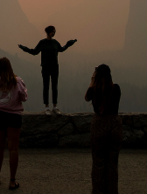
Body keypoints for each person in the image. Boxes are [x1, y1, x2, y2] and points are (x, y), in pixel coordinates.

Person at [0, 57, 27, 190]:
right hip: (14, 116)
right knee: (13, 148)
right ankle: (12, 181)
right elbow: (24, 97)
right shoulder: (17, 81)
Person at [18, 25, 76, 112]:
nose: (54, 33)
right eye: (53, 31)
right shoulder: (42, 43)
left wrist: (69, 43)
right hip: (45, 67)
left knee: (54, 87)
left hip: (55, 67)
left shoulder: (55, 42)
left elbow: (62, 49)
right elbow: (34, 52)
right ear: (49, 32)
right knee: (46, 86)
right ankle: (47, 107)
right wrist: (24, 48)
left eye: (54, 31)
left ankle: (55, 106)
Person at [85, 64, 122, 194]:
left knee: (98, 162)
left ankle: (98, 191)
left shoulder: (93, 90)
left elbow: (86, 97)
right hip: (114, 125)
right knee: (112, 163)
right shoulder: (116, 89)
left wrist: (92, 81)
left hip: (98, 125)